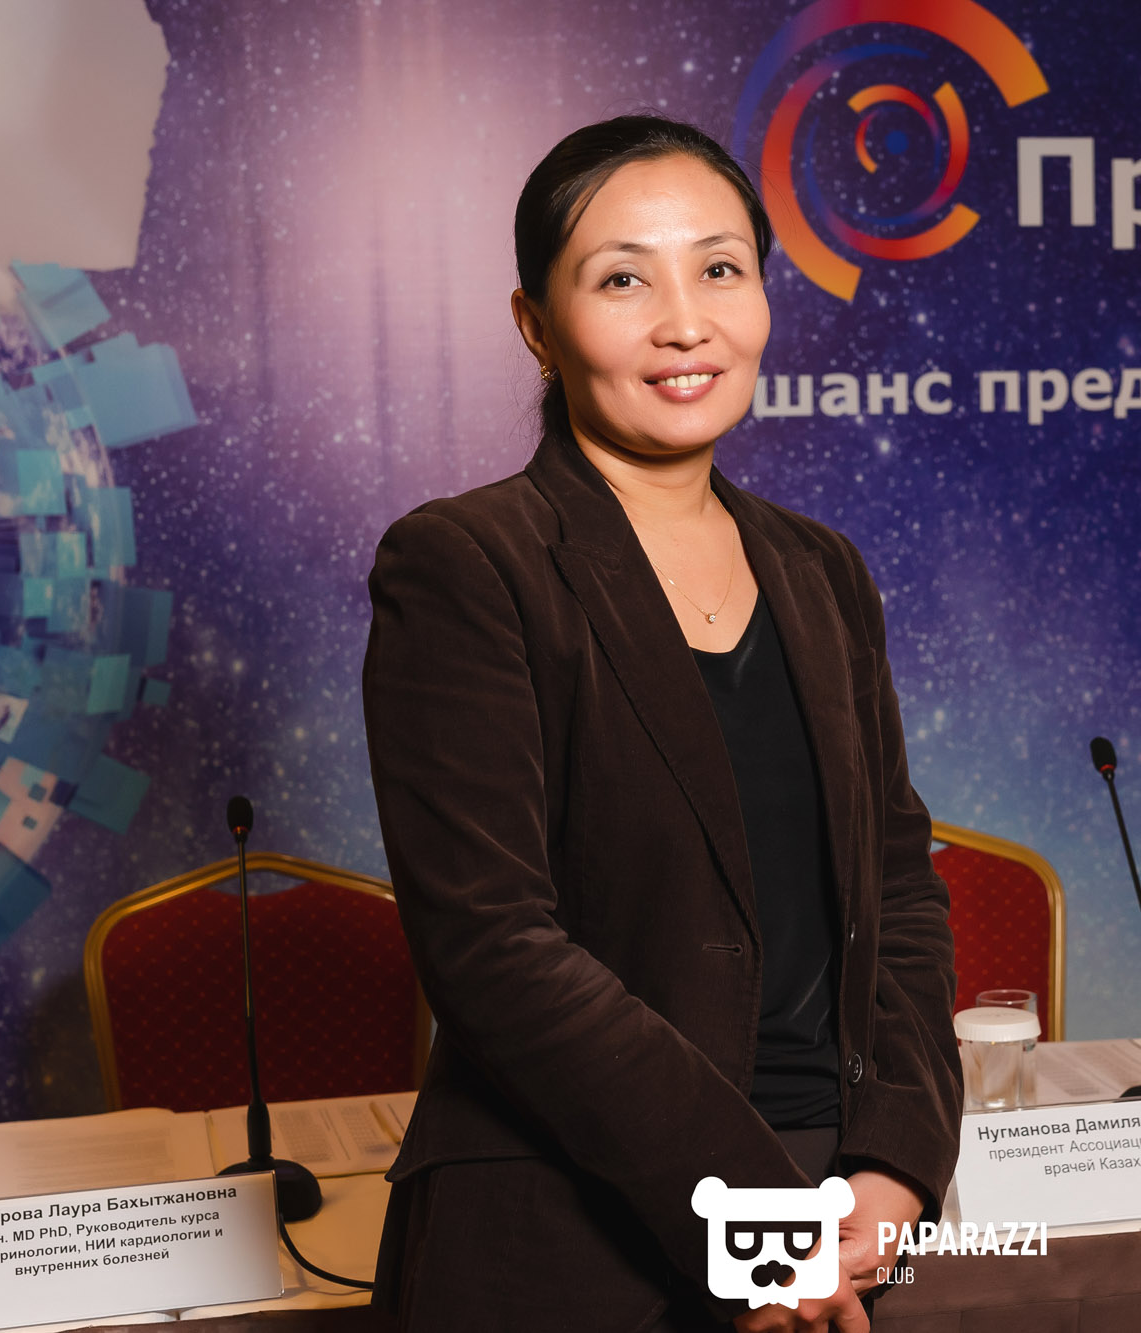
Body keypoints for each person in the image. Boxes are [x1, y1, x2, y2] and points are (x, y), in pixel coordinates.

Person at [361, 114, 963, 1331]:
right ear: (535, 324)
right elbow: (491, 945)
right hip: (572, 1227)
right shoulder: (468, 563)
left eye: (720, 269)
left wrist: (898, 1158)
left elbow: (897, 888)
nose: (685, 323)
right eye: (623, 279)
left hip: (834, 1209)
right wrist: (748, 1221)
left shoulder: (820, 569)